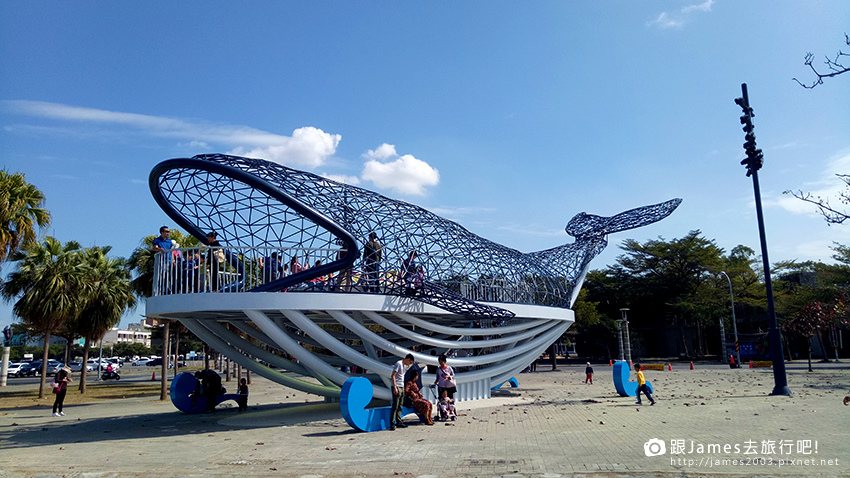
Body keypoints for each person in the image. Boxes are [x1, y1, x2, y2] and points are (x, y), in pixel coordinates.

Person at [389, 353, 414, 430]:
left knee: (400, 404)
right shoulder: (398, 364)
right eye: (409, 362)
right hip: (397, 386)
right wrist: (395, 387)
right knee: (395, 405)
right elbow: (393, 375)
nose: (408, 364)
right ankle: (392, 422)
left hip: (402, 386)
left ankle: (398, 420)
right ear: (408, 359)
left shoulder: (404, 366)